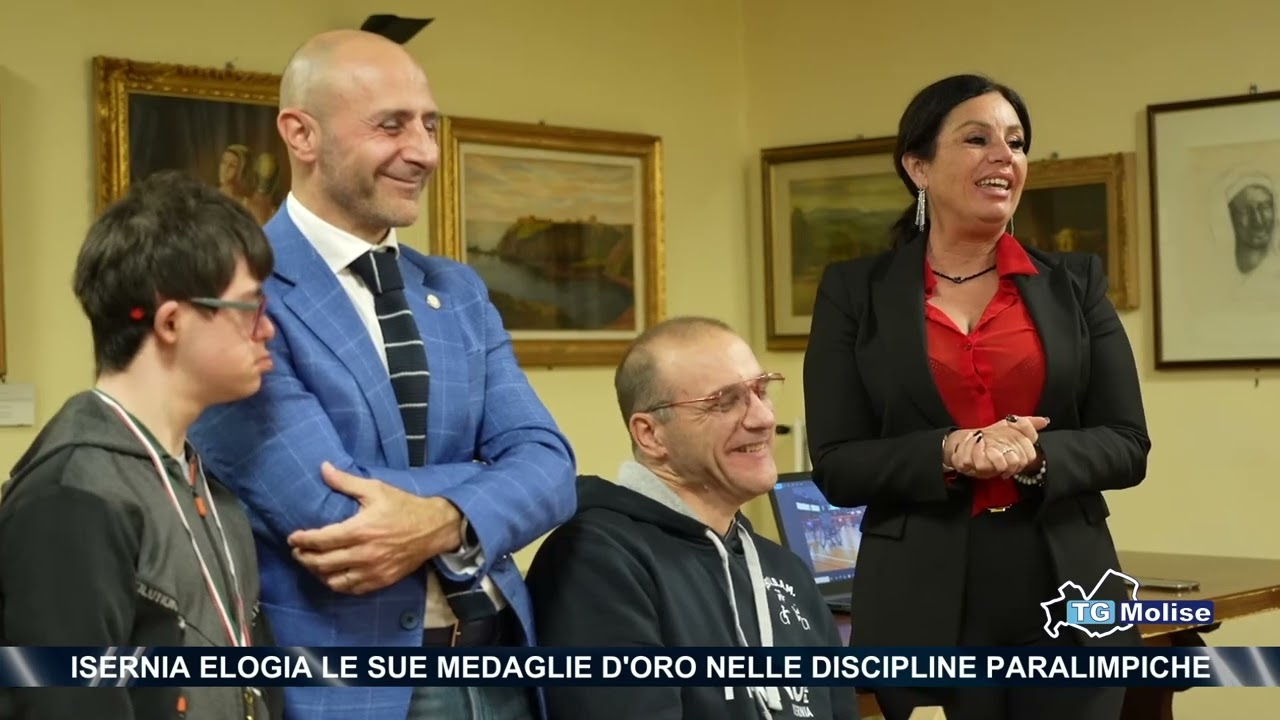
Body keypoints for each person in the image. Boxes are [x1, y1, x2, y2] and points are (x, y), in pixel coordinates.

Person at [187, 29, 577, 720]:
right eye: (391, 125)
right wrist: (483, 484)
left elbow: (550, 468)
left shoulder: (457, 290)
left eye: (429, 124)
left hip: (502, 671)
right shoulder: (235, 294)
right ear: (301, 134)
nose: (424, 151)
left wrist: (445, 516)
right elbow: (333, 515)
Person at [802, 74, 1151, 720]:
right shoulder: (854, 293)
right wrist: (949, 450)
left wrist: (1036, 455)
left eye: (1016, 143)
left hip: (1072, 595)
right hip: (920, 601)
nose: (1004, 156)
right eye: (977, 139)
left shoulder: (1075, 283)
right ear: (918, 167)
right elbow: (838, 462)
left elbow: (1128, 444)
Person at [0, 171, 281, 720]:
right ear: (171, 321)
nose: (267, 330)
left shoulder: (209, 489)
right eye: (249, 308)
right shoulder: (71, 498)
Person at [525, 317, 858, 720]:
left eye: (761, 391)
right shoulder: (595, 562)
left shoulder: (786, 570)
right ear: (650, 434)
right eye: (724, 401)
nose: (763, 418)